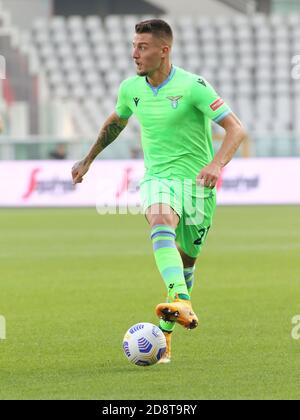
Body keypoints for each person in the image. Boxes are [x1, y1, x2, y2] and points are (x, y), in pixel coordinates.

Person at [72, 19, 246, 364]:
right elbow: (115, 124)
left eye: (142, 47)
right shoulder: (130, 89)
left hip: (197, 186)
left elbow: (236, 129)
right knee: (159, 217)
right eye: (134, 45)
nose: (134, 53)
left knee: (187, 261)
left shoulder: (193, 86)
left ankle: (166, 336)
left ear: (163, 50)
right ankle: (181, 298)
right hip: (157, 179)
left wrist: (216, 164)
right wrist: (88, 159)